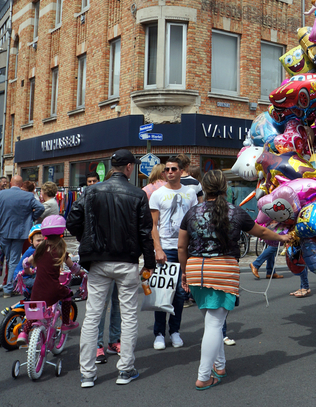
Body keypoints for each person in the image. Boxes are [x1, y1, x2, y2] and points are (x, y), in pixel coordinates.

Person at [177, 169, 292, 390]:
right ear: (225, 188)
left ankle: (220, 366)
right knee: (214, 324)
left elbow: (181, 246)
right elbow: (263, 232)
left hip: (195, 270)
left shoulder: (192, 212)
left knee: (212, 322)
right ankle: (203, 376)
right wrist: (283, 237)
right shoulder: (235, 212)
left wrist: (184, 272)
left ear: (205, 188)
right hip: (222, 270)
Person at [66, 148, 156, 388]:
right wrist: (149, 263)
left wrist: (88, 237)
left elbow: (72, 220)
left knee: (93, 315)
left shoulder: (92, 191)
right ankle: (125, 369)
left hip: (98, 260)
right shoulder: (137, 195)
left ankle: (87, 373)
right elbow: (145, 233)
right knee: (128, 316)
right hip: (126, 261)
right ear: (128, 168)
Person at [149, 156, 198, 350]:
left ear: (180, 171)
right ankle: (159, 333)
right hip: (166, 249)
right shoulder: (157, 194)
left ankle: (175, 331)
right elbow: (153, 225)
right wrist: (158, 248)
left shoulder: (191, 192)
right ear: (164, 173)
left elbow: (194, 221)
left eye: (174, 169)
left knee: (179, 293)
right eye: (167, 169)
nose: (170, 172)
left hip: (185, 248)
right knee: (162, 293)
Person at [17, 216, 81, 344]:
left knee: (35, 312)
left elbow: (26, 263)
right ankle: (66, 323)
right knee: (68, 294)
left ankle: (24, 333)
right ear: (61, 233)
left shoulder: (39, 250)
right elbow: (73, 267)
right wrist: (80, 272)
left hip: (37, 289)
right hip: (53, 289)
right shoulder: (60, 250)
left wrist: (28, 270)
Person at [0, 175, 45, 298]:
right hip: (19, 231)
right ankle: (8, 289)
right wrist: (31, 218)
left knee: (7, 259)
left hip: (3, 230)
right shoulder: (28, 196)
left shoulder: (2, 194)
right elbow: (40, 208)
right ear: (21, 185)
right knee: (13, 259)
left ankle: (8, 287)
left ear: (10, 183)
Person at [12, 224, 43, 299]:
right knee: (41, 285)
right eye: (38, 240)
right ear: (31, 241)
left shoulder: (36, 250)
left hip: (28, 276)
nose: (41, 243)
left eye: (43, 240)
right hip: (23, 278)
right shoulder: (33, 252)